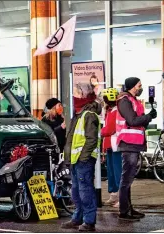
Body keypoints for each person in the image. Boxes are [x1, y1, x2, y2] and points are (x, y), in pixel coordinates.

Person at [115, 78, 155, 220]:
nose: (141, 87)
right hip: (128, 143)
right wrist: (148, 117)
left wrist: (147, 118)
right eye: (139, 85)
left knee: (129, 178)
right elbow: (132, 121)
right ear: (132, 87)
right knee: (126, 178)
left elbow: (137, 120)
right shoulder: (125, 101)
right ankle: (124, 211)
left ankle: (128, 208)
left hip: (133, 143)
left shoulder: (132, 100)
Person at [61, 92, 101, 232]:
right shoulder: (78, 115)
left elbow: (91, 139)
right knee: (77, 191)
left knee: (85, 191)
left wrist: (83, 157)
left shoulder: (88, 115)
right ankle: (78, 218)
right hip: (76, 160)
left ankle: (89, 221)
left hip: (82, 160)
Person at [99, 88, 124, 208]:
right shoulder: (110, 111)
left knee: (117, 171)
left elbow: (109, 129)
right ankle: (114, 194)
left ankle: (120, 196)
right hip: (110, 144)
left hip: (115, 144)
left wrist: (100, 132)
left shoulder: (115, 112)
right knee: (111, 171)